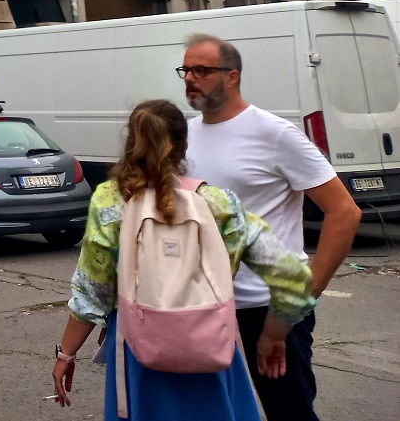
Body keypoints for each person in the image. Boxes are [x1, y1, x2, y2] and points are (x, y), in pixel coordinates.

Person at [53, 99, 316, 419]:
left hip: (140, 354)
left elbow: (92, 293)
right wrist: (273, 335)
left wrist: (66, 354)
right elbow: (293, 278)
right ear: (184, 146)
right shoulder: (219, 204)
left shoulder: (110, 203)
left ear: (131, 144)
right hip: (209, 347)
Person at [182, 33, 362, 421]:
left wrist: (301, 299)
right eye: (186, 70)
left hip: (267, 309)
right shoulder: (184, 136)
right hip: (201, 308)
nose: (190, 78)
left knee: (289, 413)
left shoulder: (275, 134)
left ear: (232, 76)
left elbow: (344, 212)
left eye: (201, 70)